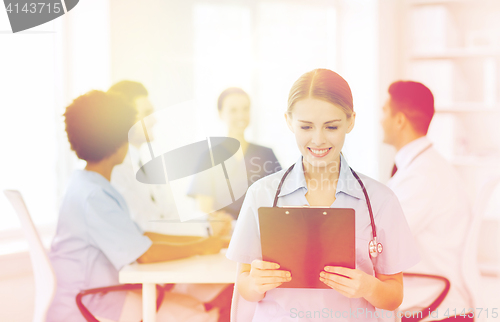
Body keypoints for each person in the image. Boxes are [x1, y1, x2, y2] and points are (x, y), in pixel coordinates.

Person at [226, 69, 420, 321]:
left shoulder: (380, 200)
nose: (318, 139)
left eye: (331, 126)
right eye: (306, 126)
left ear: (350, 121)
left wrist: (368, 287)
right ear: (289, 121)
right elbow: (244, 285)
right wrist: (255, 284)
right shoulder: (261, 194)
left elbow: (394, 294)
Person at [47, 90, 228, 322]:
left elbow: (141, 237)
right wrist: (202, 246)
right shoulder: (94, 195)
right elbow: (145, 254)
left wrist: (206, 243)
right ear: (119, 140)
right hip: (93, 303)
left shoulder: (89, 185)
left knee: (204, 301)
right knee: (209, 312)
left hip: (98, 295)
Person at [381, 81, 473, 321]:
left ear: (399, 120)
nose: (381, 120)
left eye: (385, 112)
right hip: (432, 304)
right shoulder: (423, 167)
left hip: (438, 310)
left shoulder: (424, 176)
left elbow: (385, 240)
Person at [187, 87, 281, 232]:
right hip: (225, 235)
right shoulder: (209, 158)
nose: (241, 115)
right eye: (233, 110)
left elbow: (280, 198)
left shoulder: (266, 155)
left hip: (261, 232)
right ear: (220, 114)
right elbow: (204, 208)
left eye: (245, 109)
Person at [108, 80, 176, 232]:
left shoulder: (147, 165)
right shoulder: (115, 171)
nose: (154, 120)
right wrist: (204, 228)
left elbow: (171, 216)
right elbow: (142, 228)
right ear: (123, 119)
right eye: (147, 114)